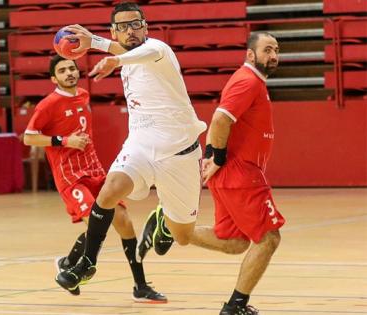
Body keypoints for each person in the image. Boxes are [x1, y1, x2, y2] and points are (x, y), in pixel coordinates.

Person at [55, 1, 207, 294]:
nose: (130, 30)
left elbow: (141, 53)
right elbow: (126, 53)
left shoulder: (160, 50)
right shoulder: (124, 57)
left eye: (135, 24)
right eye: (122, 26)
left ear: (146, 26)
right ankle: (87, 262)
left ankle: (164, 223)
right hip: (140, 143)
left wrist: (105, 50)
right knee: (109, 191)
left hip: (179, 153)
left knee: (183, 235)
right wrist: (111, 53)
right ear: (115, 31)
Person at [139, 32, 286, 315]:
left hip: (235, 175)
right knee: (269, 238)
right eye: (267, 49)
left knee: (235, 242)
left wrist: (213, 159)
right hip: (242, 175)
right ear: (250, 55)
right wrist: (215, 157)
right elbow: (219, 119)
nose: (274, 55)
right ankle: (235, 307)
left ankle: (170, 225)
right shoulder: (247, 80)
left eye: (276, 50)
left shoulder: (254, 82)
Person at [23, 55, 166, 303]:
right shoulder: (48, 104)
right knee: (97, 225)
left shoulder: (83, 95)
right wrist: (64, 141)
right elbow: (29, 137)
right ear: (53, 78)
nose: (69, 73)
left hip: (95, 171)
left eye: (72, 68)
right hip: (71, 177)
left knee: (124, 223)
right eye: (62, 70)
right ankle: (76, 266)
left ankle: (139, 286)